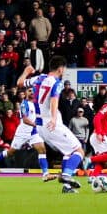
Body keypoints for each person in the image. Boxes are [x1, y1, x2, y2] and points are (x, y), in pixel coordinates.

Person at [34, 62, 88, 194]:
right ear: (60, 68)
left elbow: (21, 83)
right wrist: (53, 118)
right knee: (79, 151)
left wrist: (26, 72)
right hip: (52, 124)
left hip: (39, 124)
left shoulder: (39, 78)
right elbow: (54, 99)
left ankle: (67, 187)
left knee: (67, 153)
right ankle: (67, 175)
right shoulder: (56, 82)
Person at [0, 65, 47, 177]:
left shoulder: (36, 103)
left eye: (32, 91)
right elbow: (25, 120)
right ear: (25, 93)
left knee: (42, 149)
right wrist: (36, 124)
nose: (31, 92)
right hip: (23, 131)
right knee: (11, 152)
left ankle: (46, 173)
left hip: (33, 132)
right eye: (29, 91)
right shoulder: (24, 104)